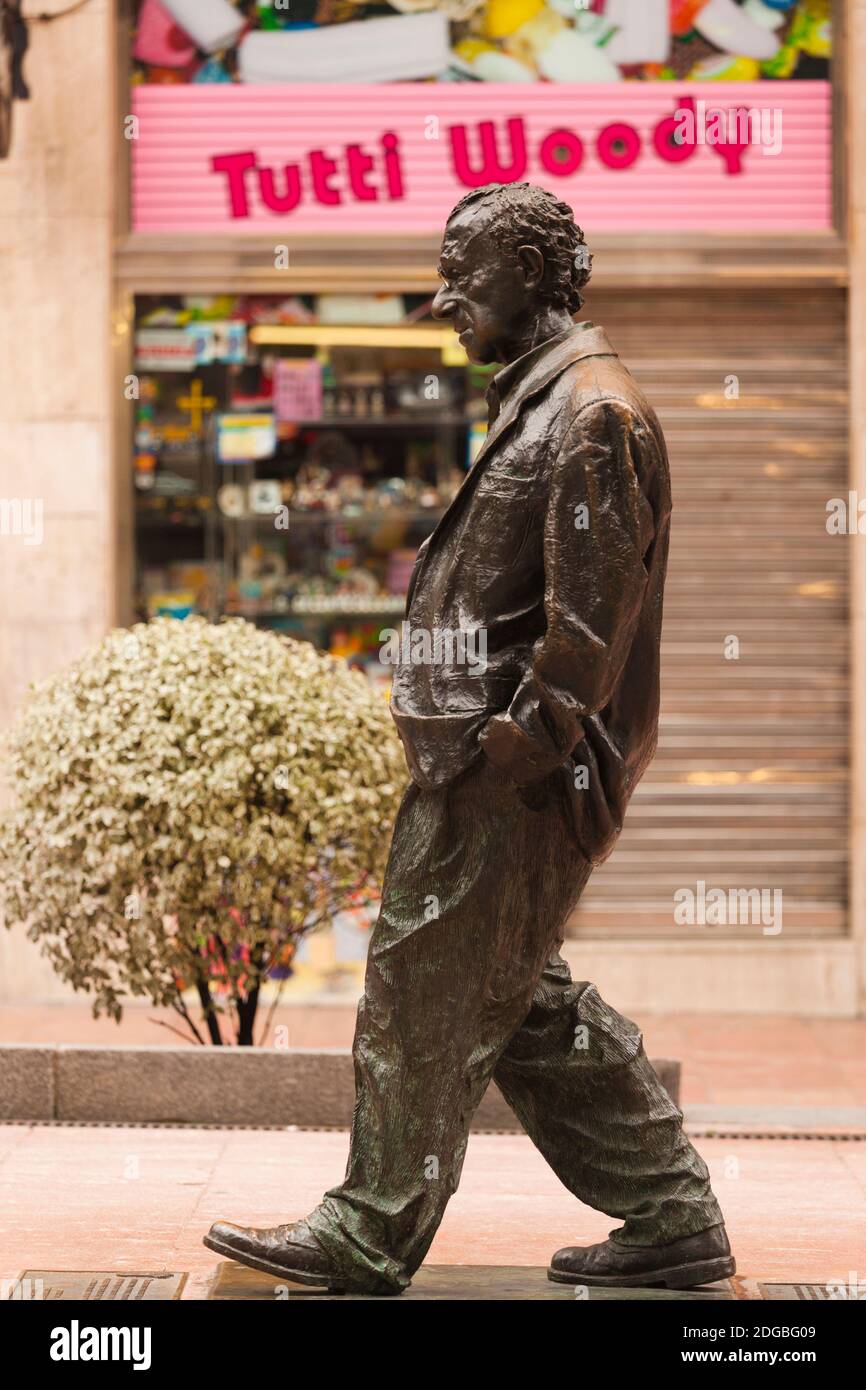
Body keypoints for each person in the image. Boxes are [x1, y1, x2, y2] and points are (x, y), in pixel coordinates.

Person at [205, 182, 733, 1296]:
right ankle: (671, 1209)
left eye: (464, 272)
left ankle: (368, 1225)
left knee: (415, 984)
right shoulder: (543, 401)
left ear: (537, 276)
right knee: (521, 1001)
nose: (442, 296)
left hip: (506, 778)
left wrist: (507, 745)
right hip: (487, 764)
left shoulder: (589, 413)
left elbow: (587, 626)